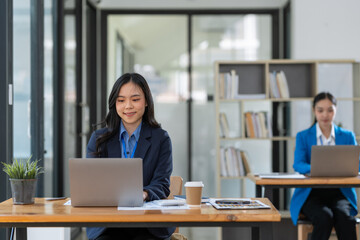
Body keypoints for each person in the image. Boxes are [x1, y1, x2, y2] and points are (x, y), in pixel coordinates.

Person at [86, 73, 175, 240]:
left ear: (147, 101)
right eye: (121, 100)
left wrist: (144, 194)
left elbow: (162, 184)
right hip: (108, 224)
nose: (128, 106)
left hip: (149, 225)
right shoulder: (99, 139)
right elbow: (91, 183)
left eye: (135, 99)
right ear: (114, 103)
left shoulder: (161, 138)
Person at [290, 92, 358, 240]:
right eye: (320, 110)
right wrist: (316, 169)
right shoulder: (303, 136)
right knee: (324, 217)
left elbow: (357, 164)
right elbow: (298, 164)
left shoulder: (347, 136)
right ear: (314, 110)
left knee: (345, 219)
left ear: (336, 110)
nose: (325, 115)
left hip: (340, 193)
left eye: (330, 110)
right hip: (311, 193)